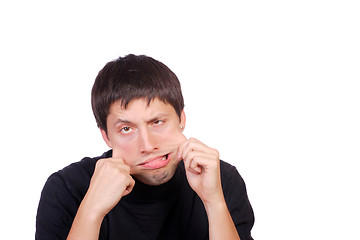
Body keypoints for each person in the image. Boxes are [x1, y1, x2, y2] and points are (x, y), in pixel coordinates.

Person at [35, 54, 255, 240]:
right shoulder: (67, 189)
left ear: (181, 119)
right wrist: (91, 211)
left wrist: (214, 202)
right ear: (106, 137)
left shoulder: (220, 178)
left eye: (157, 122)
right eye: (126, 129)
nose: (148, 145)